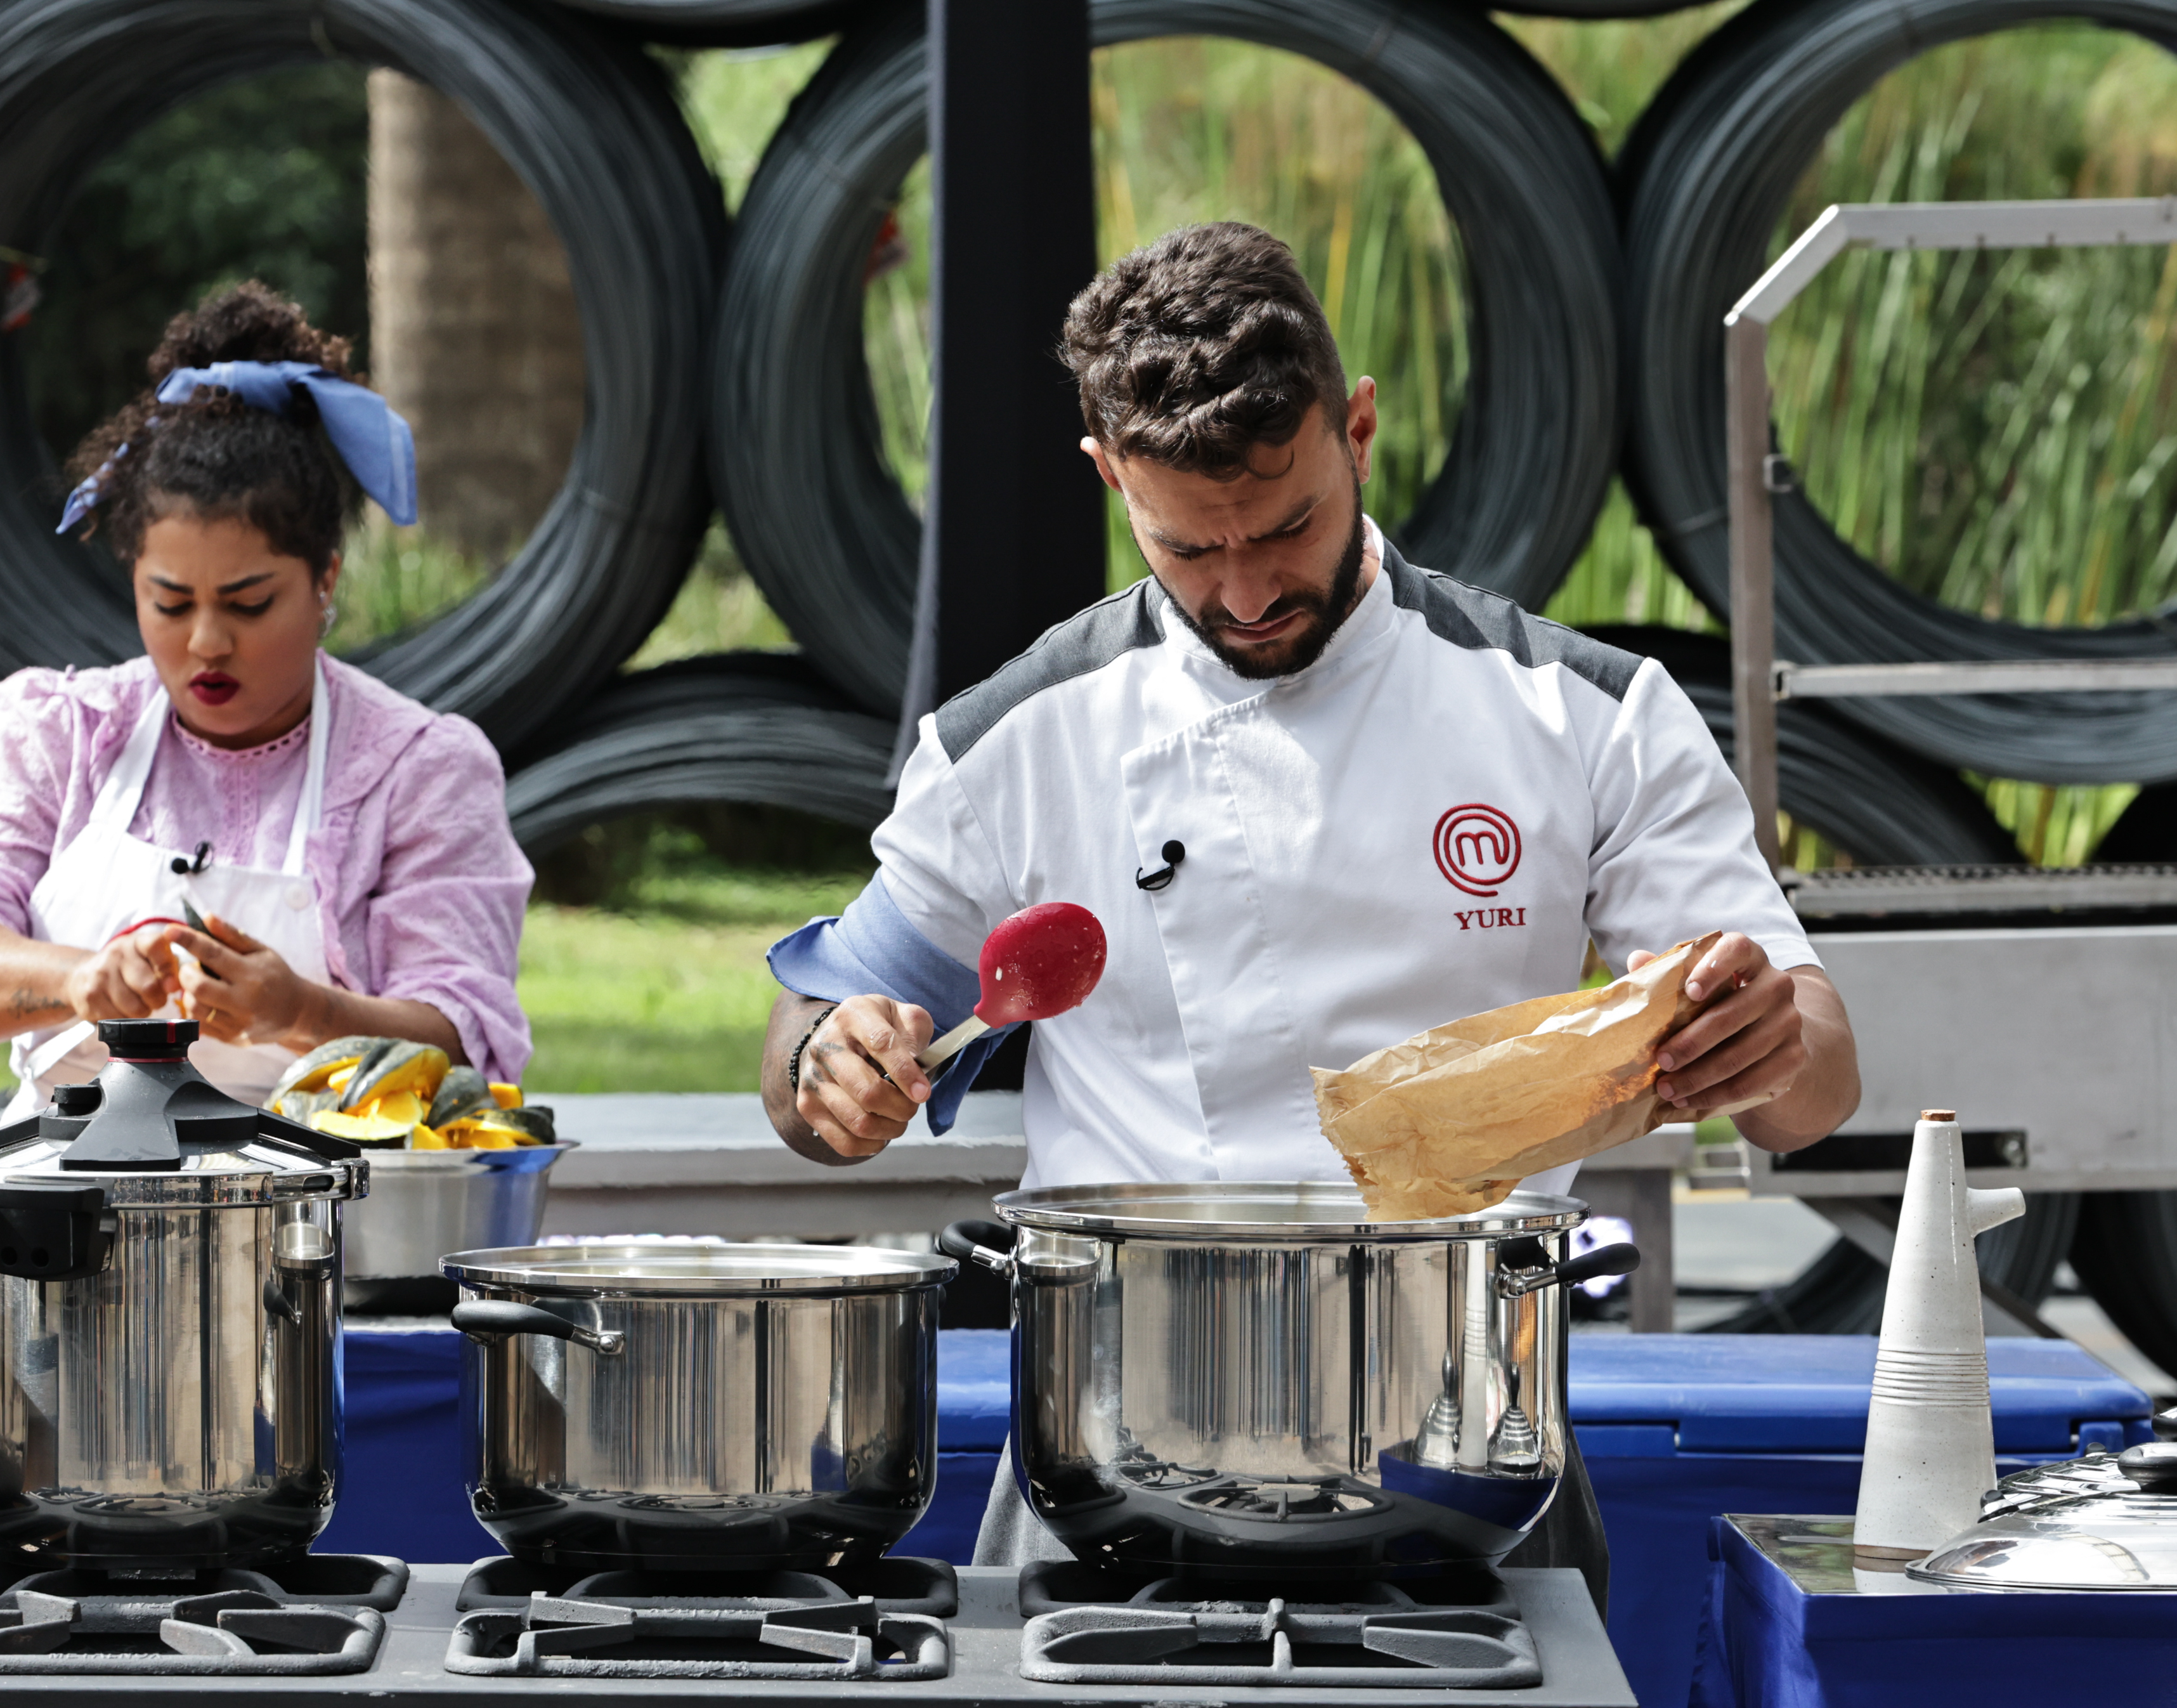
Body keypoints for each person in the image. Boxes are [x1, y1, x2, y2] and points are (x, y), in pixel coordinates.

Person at [754, 223, 1861, 1594]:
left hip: (1468, 1440)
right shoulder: (1016, 742)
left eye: (1287, 526)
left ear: (1358, 431)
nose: (1246, 587)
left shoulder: (1578, 714)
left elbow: (1809, 1095)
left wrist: (1767, 1041)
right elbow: (812, 1049)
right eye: (1186, 546)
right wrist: (829, 1068)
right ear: (1107, 476)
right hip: (1110, 1453)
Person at [0, 282, 532, 1114]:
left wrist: (306, 1012)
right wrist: (81, 978)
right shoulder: (66, 733)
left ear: (325, 580)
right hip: (62, 1213)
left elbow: (468, 1037)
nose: (207, 641)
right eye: (170, 604)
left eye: (248, 604)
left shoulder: (418, 768)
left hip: (323, 1221)